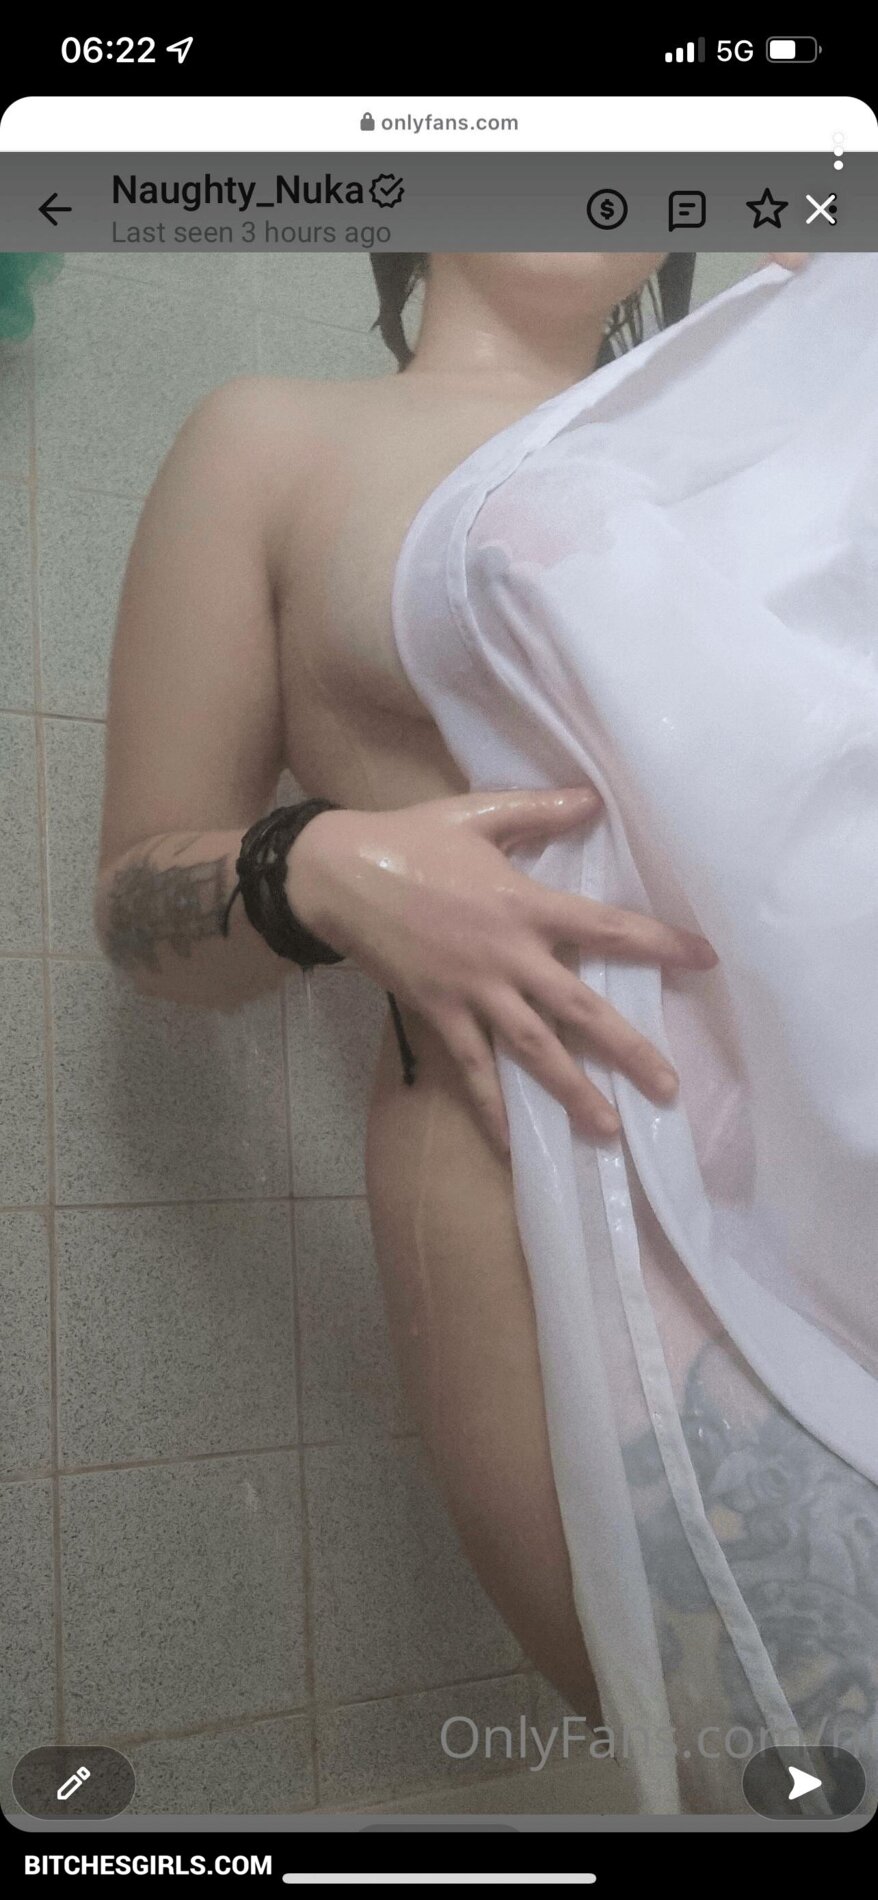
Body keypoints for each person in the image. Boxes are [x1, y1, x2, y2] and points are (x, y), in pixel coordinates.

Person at [98, 249, 869, 1815]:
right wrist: (317, 867)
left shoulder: (787, 425)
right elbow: (134, 902)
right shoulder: (273, 439)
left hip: (839, 1162)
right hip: (537, 1177)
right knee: (785, 1774)